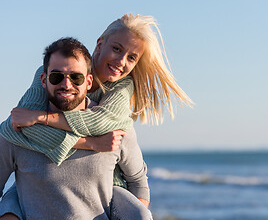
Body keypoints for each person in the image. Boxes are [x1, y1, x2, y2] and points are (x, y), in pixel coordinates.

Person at [0, 14, 193, 219]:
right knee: (21, 191)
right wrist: (89, 142)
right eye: (117, 49)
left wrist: (41, 119)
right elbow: (22, 125)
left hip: (109, 188)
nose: (120, 61)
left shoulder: (121, 92)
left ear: (88, 81)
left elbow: (99, 123)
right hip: (40, 188)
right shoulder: (51, 69)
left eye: (131, 57)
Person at [0, 37, 151, 219]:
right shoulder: (16, 130)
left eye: (76, 77)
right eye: (57, 76)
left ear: (88, 82)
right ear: (43, 79)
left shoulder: (114, 131)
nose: (66, 85)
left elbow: (138, 183)